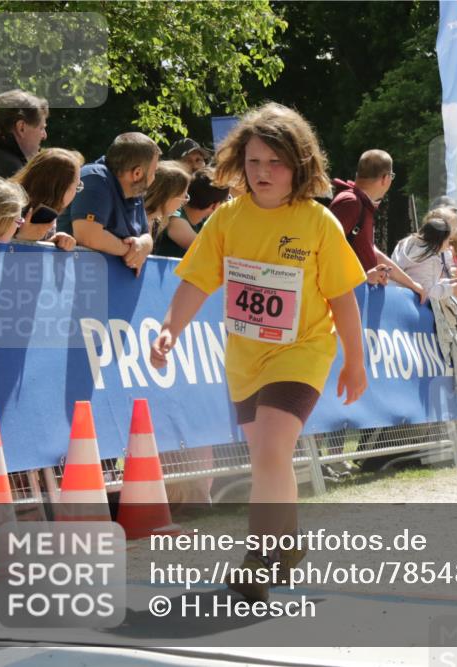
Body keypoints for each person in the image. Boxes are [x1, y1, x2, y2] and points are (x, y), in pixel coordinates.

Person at [150, 103, 367, 603]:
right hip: (245, 358)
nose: (263, 172)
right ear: (238, 163)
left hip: (303, 351)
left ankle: (260, 554)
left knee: (270, 450)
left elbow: (342, 298)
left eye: (275, 162)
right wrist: (169, 330)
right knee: (268, 456)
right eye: (253, 162)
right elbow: (196, 281)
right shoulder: (227, 218)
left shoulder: (318, 222)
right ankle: (287, 544)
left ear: (299, 164)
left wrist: (355, 361)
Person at [330, 149, 423, 299]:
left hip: (353, 295)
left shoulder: (360, 203)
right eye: (392, 176)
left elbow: (372, 251)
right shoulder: (351, 203)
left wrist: (413, 285)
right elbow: (325, 249)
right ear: (386, 178)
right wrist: (364, 277)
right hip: (344, 297)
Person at [65, 132, 161, 275]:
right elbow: (88, 236)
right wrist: (131, 251)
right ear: (137, 173)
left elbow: (146, 236)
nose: (154, 179)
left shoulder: (135, 191)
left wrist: (142, 246)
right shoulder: (95, 178)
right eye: (153, 173)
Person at [9, 147, 82, 250]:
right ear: (61, 189)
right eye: (77, 186)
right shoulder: (8, 206)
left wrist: (51, 243)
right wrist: (22, 240)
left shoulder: (48, 213)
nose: (76, 192)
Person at [153, 167, 230, 258]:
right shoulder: (175, 218)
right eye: (225, 201)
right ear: (214, 206)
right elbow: (208, 251)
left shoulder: (205, 221)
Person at [144, 161, 192, 244]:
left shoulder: (154, 220)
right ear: (167, 197)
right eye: (183, 195)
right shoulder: (136, 221)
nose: (185, 201)